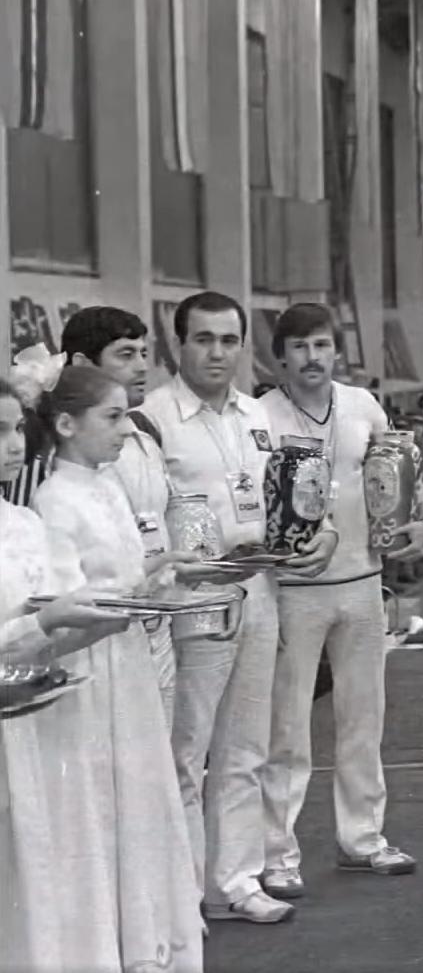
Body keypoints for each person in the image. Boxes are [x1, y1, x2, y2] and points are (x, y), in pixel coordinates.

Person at [140, 290, 338, 924]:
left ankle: (238, 880)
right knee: (187, 750)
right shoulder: (152, 419)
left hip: (259, 590)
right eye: (203, 339)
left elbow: (300, 493)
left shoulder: (258, 413)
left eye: (229, 340)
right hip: (192, 600)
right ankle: (182, 893)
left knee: (247, 746)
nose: (217, 353)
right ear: (177, 345)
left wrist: (322, 533)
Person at [25, 366, 207, 970]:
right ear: (66, 424)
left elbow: (121, 576)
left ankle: (149, 939)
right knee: (101, 804)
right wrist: (129, 604)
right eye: (112, 417)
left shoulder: (107, 485)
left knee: (141, 797)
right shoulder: (54, 499)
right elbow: (61, 601)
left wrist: (162, 570)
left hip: (127, 659)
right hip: (88, 670)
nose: (126, 429)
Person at [257, 303, 423, 901]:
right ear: (280, 357)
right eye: (299, 347)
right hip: (293, 589)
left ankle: (363, 836)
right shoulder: (260, 416)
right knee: (286, 727)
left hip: (363, 579)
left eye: (322, 345)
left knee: (364, 717)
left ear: (337, 351)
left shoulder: (363, 406)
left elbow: (403, 474)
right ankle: (276, 853)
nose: (312, 358)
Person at [0, 373, 157, 969]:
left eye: (17, 429)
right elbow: (41, 622)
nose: (15, 445)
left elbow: (58, 625)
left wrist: (116, 612)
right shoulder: (50, 505)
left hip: (38, 720)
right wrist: (47, 622)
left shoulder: (22, 523)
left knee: (50, 859)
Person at [60, 305, 182, 725]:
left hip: (156, 625)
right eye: (125, 354)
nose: (142, 366)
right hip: (97, 637)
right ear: (81, 364)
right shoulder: (59, 459)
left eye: (144, 353)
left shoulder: (145, 434)